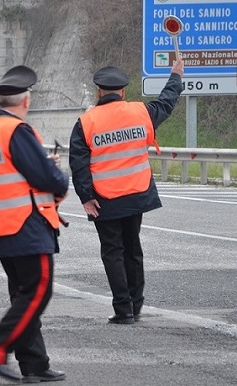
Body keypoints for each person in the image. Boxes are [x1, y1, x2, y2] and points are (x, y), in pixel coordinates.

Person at [0, 65, 69, 383]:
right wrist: (59, 177)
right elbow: (44, 177)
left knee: (24, 295)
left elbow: (9, 173)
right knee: (37, 293)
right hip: (26, 225)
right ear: (26, 100)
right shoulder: (16, 130)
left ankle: (34, 363)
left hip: (0, 226)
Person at [68, 59, 184, 325]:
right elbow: (166, 103)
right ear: (123, 92)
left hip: (105, 199)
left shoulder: (86, 122)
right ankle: (136, 304)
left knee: (112, 252)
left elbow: (79, 163)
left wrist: (86, 197)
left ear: (99, 92)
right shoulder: (140, 112)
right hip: (136, 194)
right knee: (133, 250)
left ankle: (123, 310)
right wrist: (175, 76)